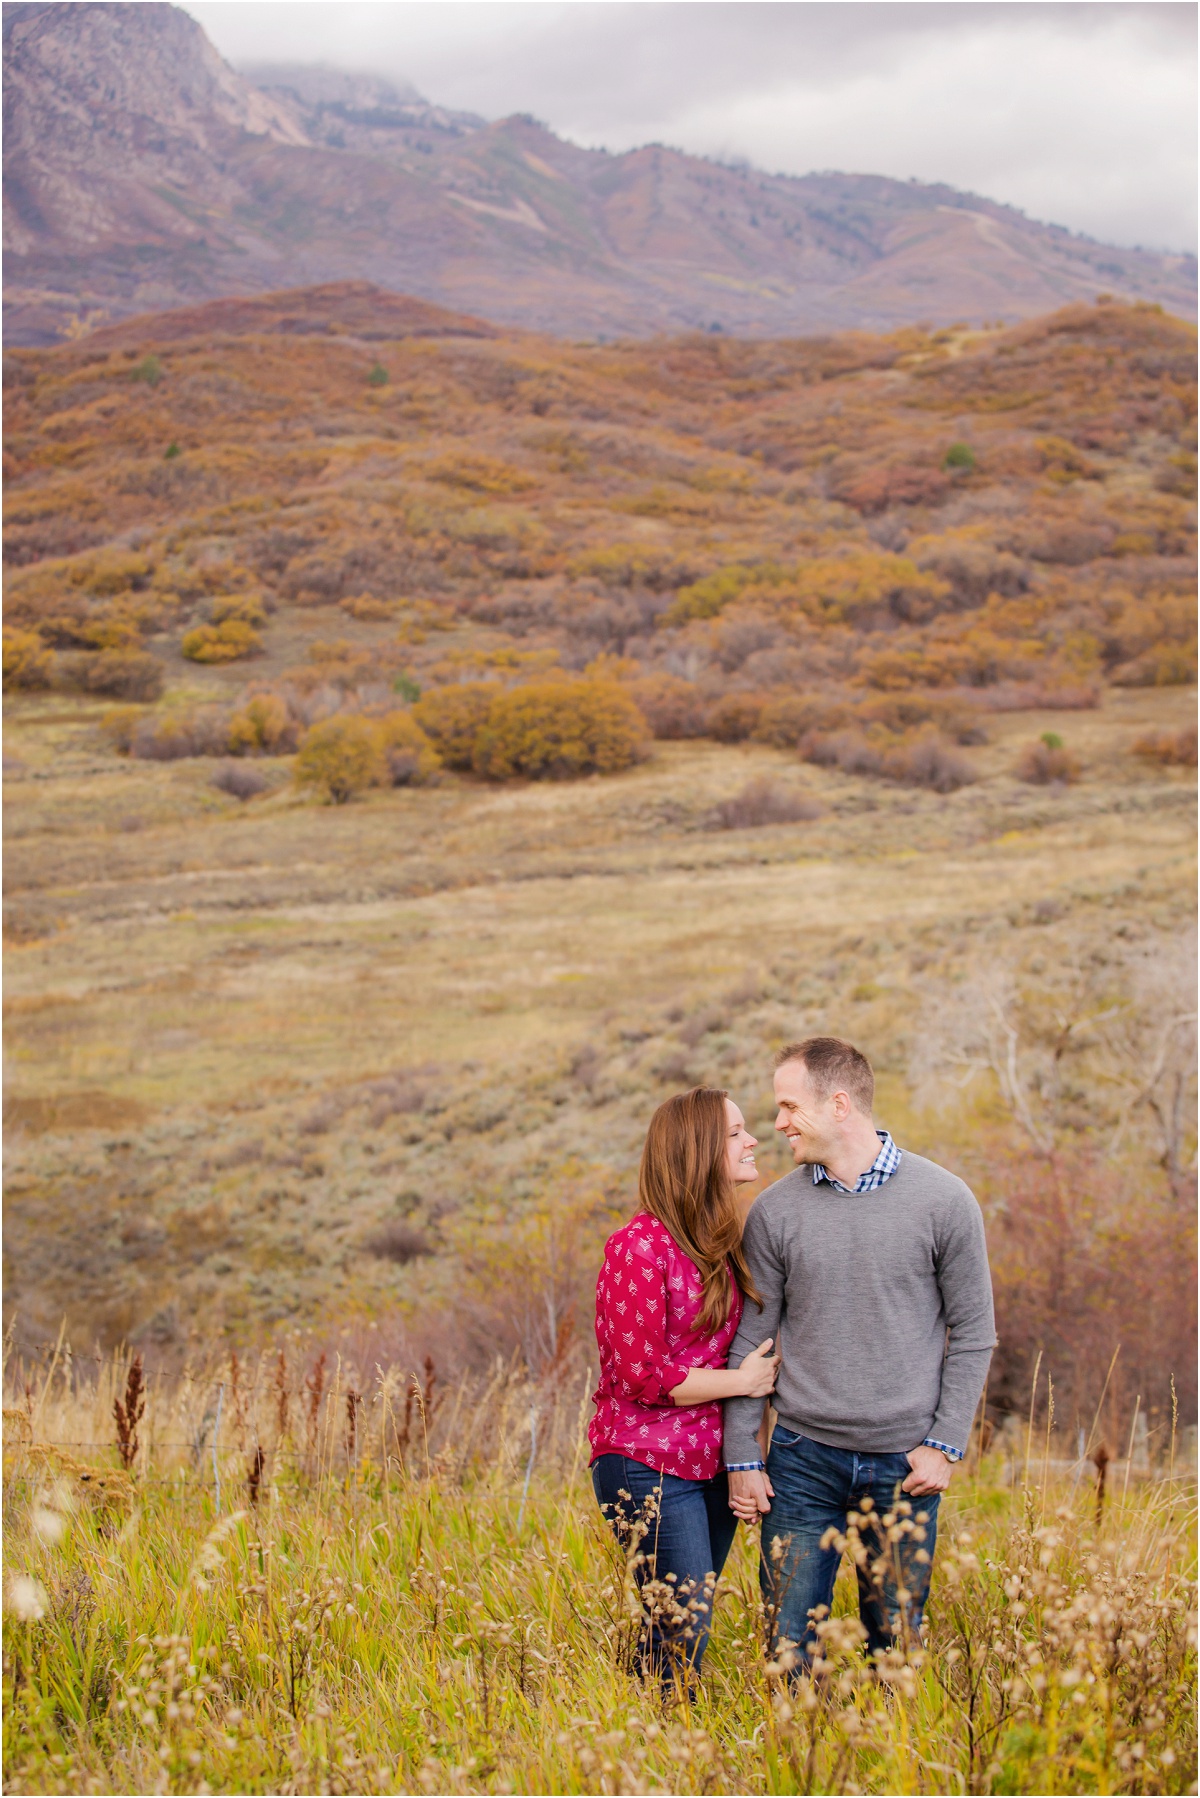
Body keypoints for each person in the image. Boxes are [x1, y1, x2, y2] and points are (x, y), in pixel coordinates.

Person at [724, 1036, 995, 1670]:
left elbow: (974, 1331)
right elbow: (751, 1341)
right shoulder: (774, 1213)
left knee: (894, 1648)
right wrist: (742, 1454)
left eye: (790, 1106)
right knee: (788, 1646)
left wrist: (945, 1442)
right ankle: (793, 1761)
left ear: (839, 1103)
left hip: (905, 1465)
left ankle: (894, 1763)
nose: (778, 1123)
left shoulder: (945, 1201)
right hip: (800, 1460)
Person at [589, 1086, 780, 1693]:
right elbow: (638, 1374)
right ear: (698, 1149)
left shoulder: (720, 1247)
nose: (752, 1141)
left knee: (676, 1622)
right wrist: (743, 1381)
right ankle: (663, 1747)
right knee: (684, 1621)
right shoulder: (637, 1247)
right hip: (645, 1462)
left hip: (709, 1464)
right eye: (736, 1132)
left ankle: (636, 1718)